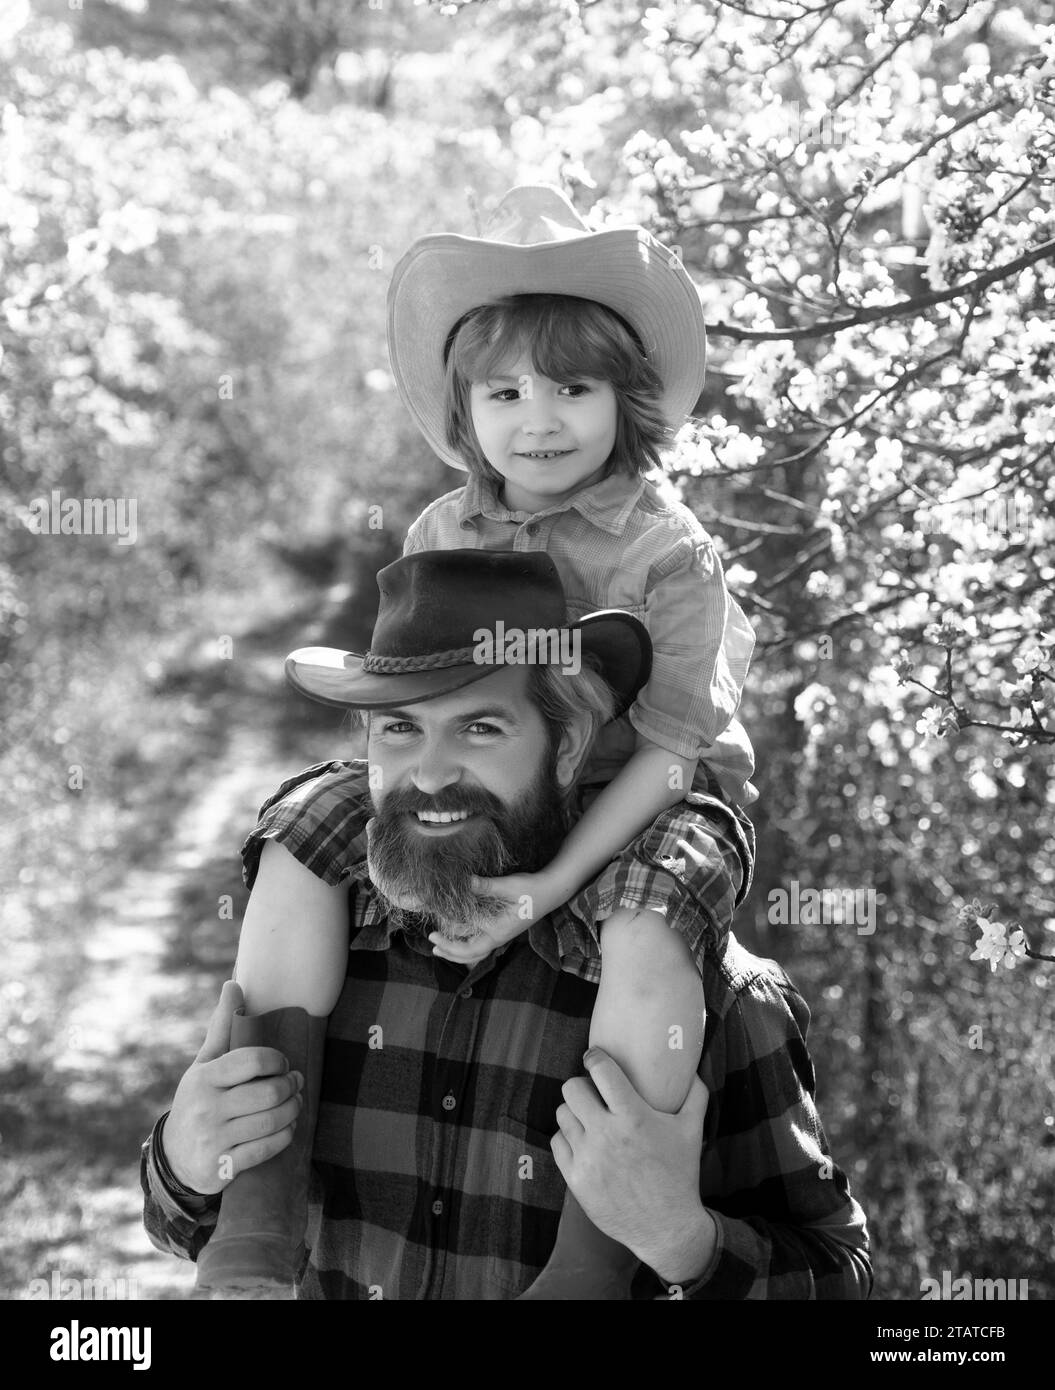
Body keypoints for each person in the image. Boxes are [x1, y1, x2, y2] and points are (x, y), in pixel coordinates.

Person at [195, 184, 760, 1298]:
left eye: (570, 387)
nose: (536, 418)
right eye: (503, 392)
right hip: (493, 763)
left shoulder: (668, 555)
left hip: (643, 790)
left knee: (647, 919)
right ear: (465, 411)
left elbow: (664, 753)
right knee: (304, 824)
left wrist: (550, 882)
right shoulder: (442, 526)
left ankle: (588, 1264)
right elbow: (417, 702)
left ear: (623, 396)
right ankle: (254, 1217)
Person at [141, 550, 872, 1300]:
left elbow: (840, 1278)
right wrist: (185, 1164)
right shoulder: (315, 945)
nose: (428, 774)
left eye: (480, 729)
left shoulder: (705, 993)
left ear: (568, 747)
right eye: (398, 728)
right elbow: (191, 1232)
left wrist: (680, 1239)